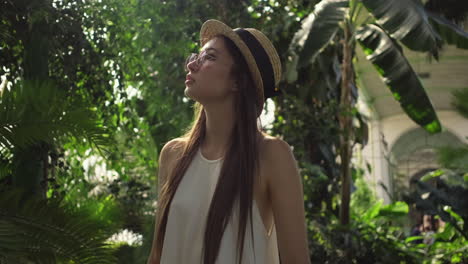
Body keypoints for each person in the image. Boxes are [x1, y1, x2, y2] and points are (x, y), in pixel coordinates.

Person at [147, 19, 311, 264]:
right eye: (196, 56)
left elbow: (296, 260)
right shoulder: (172, 154)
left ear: (237, 81)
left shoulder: (271, 155)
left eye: (209, 58)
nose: (192, 64)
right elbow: (157, 256)